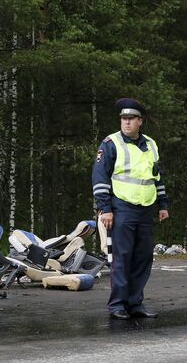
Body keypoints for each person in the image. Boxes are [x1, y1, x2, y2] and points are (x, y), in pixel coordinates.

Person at [92, 98, 169, 320]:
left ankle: (135, 304)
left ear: (140, 121)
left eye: (131, 119)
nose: (126, 123)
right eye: (123, 119)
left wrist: (163, 205)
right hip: (121, 208)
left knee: (143, 257)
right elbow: (99, 177)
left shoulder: (151, 145)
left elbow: (157, 176)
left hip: (146, 209)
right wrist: (105, 208)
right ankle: (117, 305)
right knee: (121, 257)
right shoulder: (110, 143)